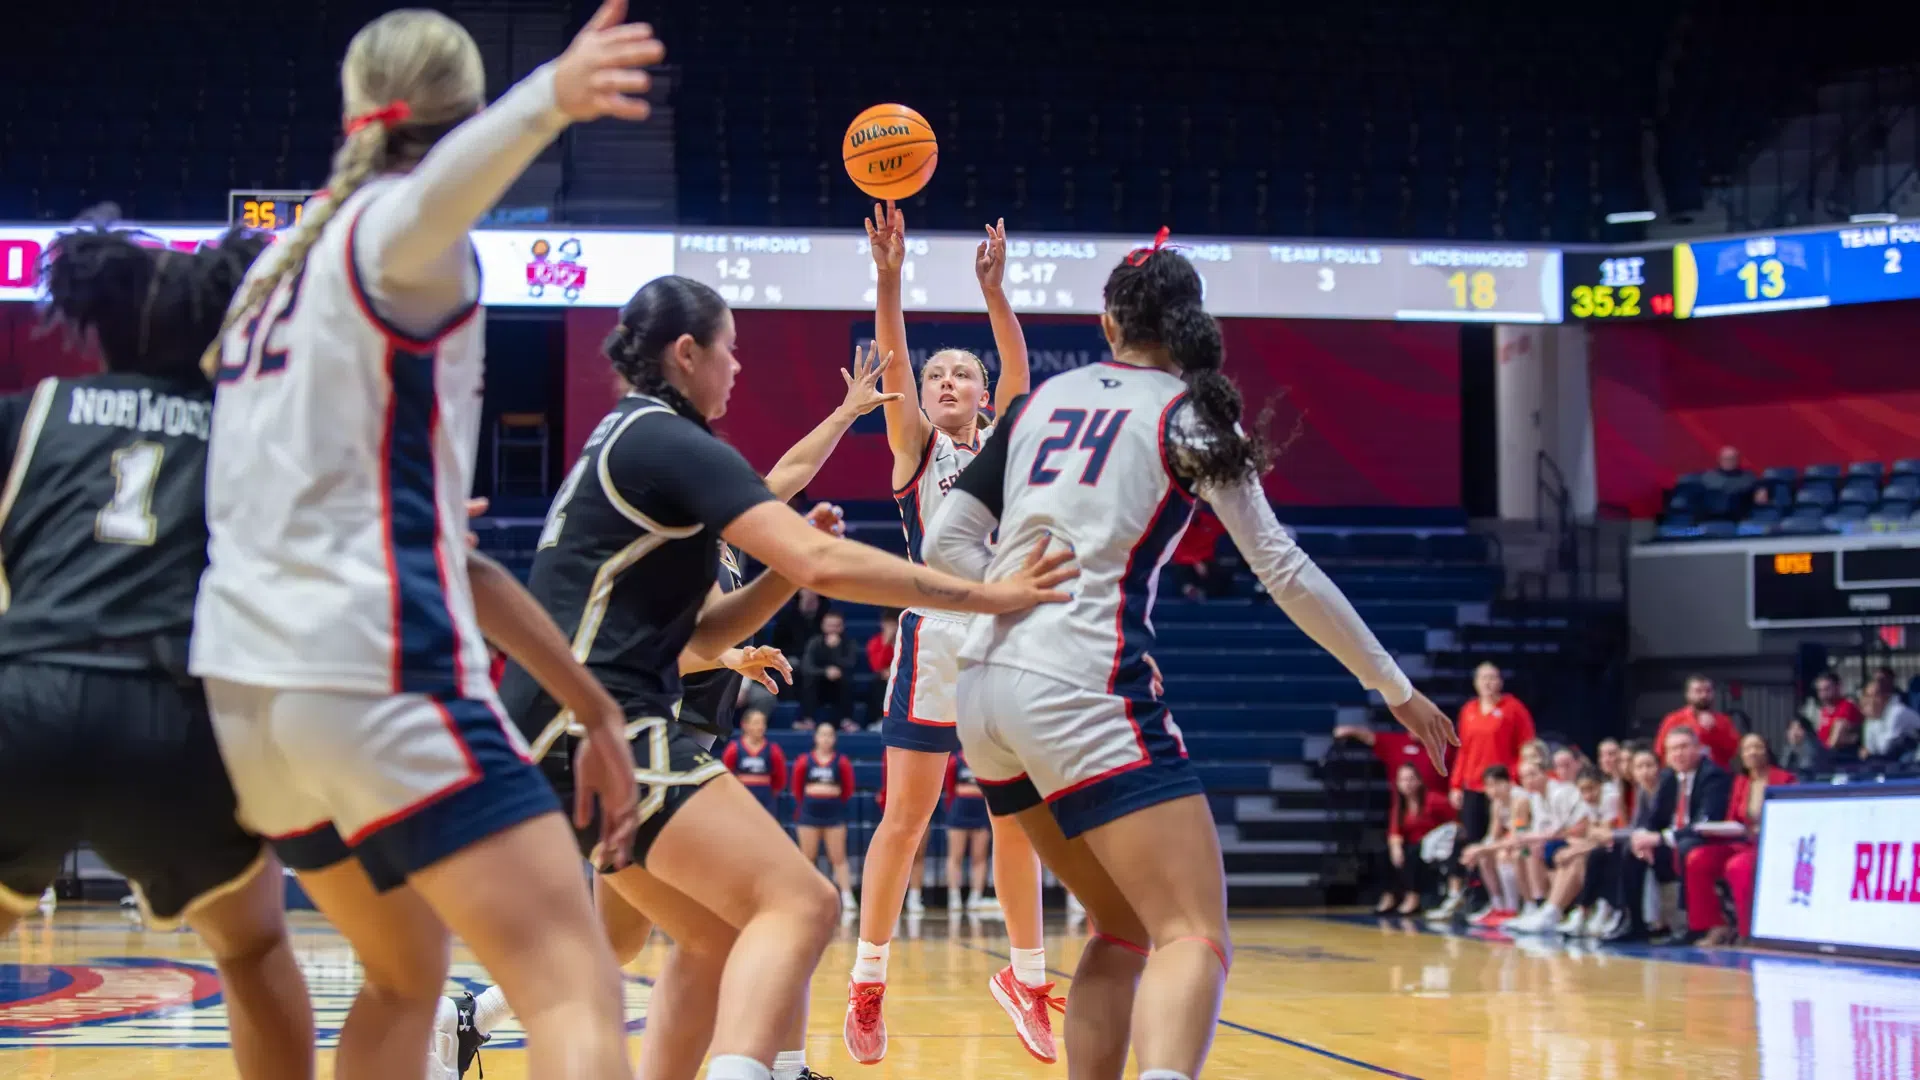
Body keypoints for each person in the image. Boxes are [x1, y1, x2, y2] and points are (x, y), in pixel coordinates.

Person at [190, 9, 668, 1080]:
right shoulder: (391, 238)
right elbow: (438, 195)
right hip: (368, 671)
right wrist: (550, 94)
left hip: (248, 699)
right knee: (575, 987)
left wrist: (590, 707)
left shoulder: (283, 266)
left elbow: (460, 557)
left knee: (406, 975)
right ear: (453, 113)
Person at [494, 272, 1074, 1080]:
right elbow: (822, 560)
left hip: (572, 719)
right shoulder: (670, 441)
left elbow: (707, 629)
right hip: (600, 720)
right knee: (803, 903)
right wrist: (991, 593)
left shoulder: (637, 438)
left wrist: (783, 574)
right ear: (687, 352)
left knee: (708, 936)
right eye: (731, 349)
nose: (738, 368)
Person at [922, 233, 1456, 1080]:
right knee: (1193, 934)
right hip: (1080, 682)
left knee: (1125, 928)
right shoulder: (1189, 413)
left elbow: (948, 536)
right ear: (1192, 323)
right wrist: (1392, 686)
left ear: (1107, 322)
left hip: (983, 696)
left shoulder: (1040, 400)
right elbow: (1280, 567)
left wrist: (1005, 585)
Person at [453, 335, 907, 1080]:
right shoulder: (673, 535)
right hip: (648, 738)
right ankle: (779, 1066)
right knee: (780, 904)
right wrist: (731, 656)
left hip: (666, 741)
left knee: (634, 940)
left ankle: (471, 1016)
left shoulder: (724, 527)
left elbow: (787, 474)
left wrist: (847, 412)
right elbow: (687, 641)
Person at [0, 223, 315, 1080]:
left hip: (24, 695)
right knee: (251, 950)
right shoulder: (241, 431)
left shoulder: (31, 417)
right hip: (168, 710)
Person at [852, 206, 1059, 1066]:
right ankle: (868, 986)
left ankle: (1028, 980)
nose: (943, 382)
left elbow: (1016, 363)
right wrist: (890, 276)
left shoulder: (1004, 441)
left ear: (981, 396)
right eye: (937, 373)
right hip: (935, 638)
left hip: (1005, 640)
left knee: (1019, 822)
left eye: (959, 374)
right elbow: (892, 359)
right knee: (906, 820)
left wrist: (994, 290)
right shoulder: (911, 446)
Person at [1427, 662, 1534, 920]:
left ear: (1501, 681)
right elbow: (1463, 750)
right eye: (1483, 678)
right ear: (1475, 682)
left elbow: (1527, 744)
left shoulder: (1513, 708)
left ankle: (1507, 900)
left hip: (1502, 787)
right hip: (1474, 786)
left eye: (1493, 677)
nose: (1488, 682)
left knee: (1499, 839)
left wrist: (1516, 779)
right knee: (1474, 840)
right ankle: (1478, 896)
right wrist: (1456, 783)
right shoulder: (1469, 710)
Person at [1684, 733, 1794, 945]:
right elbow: (1732, 819)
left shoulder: (1784, 779)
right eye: (1747, 749)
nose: (1752, 752)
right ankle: (1717, 926)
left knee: (1737, 867)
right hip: (1740, 841)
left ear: (1767, 751)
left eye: (1757, 747)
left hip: (1769, 844)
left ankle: (1746, 932)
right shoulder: (1741, 782)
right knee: (1697, 859)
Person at [1628, 726, 1732, 944]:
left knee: (1686, 848)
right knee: (1629, 850)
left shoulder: (1713, 776)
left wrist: (1658, 838)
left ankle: (1692, 925)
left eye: (1684, 747)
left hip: (1708, 840)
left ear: (1698, 748)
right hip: (1675, 839)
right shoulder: (1668, 776)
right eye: (1672, 749)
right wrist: (1642, 837)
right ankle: (1636, 925)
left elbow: (1704, 823)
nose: (1678, 754)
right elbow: (1652, 819)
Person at [1505, 766, 1608, 934]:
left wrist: (1571, 845)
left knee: (1569, 856)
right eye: (1525, 777)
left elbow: (1585, 832)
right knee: (1526, 852)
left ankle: (1553, 911)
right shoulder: (1535, 799)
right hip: (1560, 842)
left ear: (1545, 772)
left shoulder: (1561, 793)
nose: (1529, 780)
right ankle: (1538, 906)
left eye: (1533, 774)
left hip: (1578, 844)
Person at [792, 721, 857, 909]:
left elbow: (848, 788)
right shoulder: (804, 761)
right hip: (809, 814)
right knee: (807, 858)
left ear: (834, 739)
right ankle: (804, 896)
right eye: (822, 734)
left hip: (834, 814)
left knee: (838, 857)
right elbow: (797, 788)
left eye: (830, 735)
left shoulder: (841, 761)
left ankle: (846, 896)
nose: (826, 739)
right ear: (816, 737)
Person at [1381, 764, 1454, 916]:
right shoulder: (1400, 805)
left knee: (1413, 852)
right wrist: (1395, 848)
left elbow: (1455, 823)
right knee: (1386, 852)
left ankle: (1413, 896)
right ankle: (1390, 895)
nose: (1407, 784)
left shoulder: (1434, 800)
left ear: (1419, 781)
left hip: (1434, 845)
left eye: (1410, 779)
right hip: (1412, 845)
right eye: (1403, 780)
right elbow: (1395, 831)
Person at [944, 751, 994, 912]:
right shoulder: (955, 760)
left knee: (979, 856)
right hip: (959, 811)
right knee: (955, 855)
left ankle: (975, 897)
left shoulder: (987, 760)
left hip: (981, 811)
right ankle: (954, 897)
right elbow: (949, 788)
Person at [1655, 674, 1739, 769]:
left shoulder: (1723, 721)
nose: (1704, 695)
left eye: (1708, 691)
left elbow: (1733, 752)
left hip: (1716, 777)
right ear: (1688, 694)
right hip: (1681, 775)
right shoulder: (1673, 720)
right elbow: (1660, 751)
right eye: (1698, 691)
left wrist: (1715, 730)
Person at [722, 709, 788, 816]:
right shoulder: (733, 748)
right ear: (745, 725)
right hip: (741, 798)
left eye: (763, 723)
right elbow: (726, 775)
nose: (760, 727)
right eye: (756, 723)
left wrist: (771, 794)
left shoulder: (773, 750)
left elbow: (780, 777)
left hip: (766, 799)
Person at [800, 610, 860, 725]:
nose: (833, 629)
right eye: (829, 626)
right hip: (819, 685)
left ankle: (846, 720)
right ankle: (808, 719)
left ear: (842, 627)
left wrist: (835, 650)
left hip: (839, 686)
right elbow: (807, 667)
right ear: (823, 626)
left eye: (836, 626)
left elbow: (851, 664)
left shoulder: (849, 643)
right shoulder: (814, 642)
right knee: (809, 680)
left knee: (847, 680)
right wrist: (825, 672)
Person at [1859, 680, 1920, 762]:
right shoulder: (1871, 718)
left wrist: (1869, 753)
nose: (1871, 700)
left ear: (1886, 696)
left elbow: (1885, 748)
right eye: (1868, 696)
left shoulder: (1898, 712)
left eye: (1876, 695)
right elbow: (1869, 750)